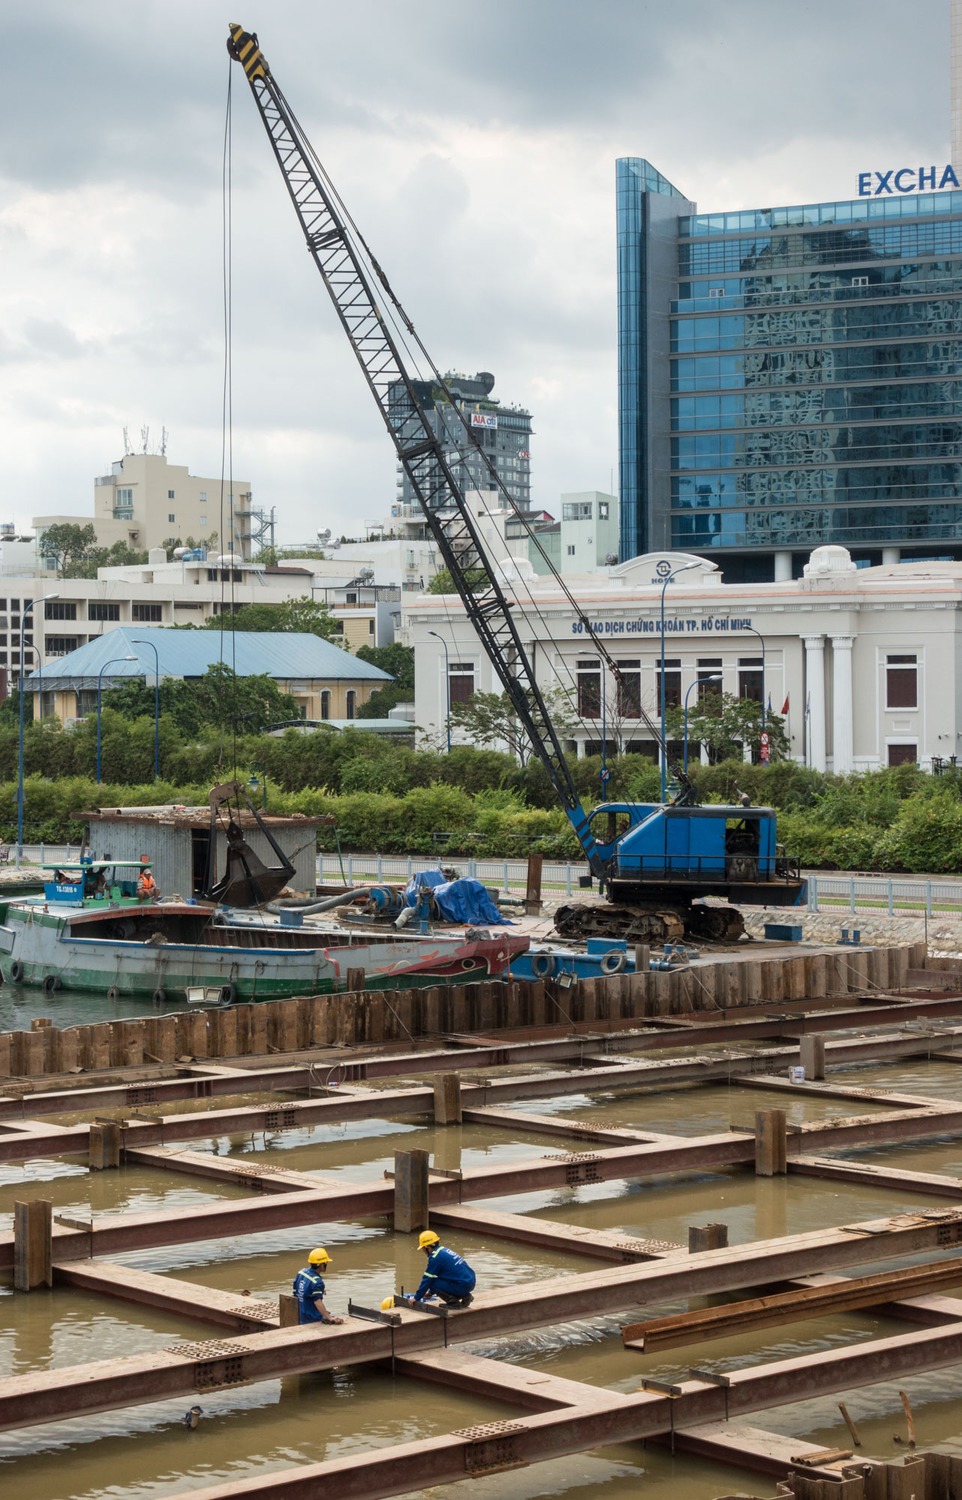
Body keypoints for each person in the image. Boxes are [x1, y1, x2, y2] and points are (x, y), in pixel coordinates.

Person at [412, 1230, 476, 1308]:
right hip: (469, 1282)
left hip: (462, 1285)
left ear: (427, 1247)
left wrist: (416, 1298)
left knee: (431, 1282)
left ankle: (453, 1303)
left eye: (423, 1249)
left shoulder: (435, 1257)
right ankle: (466, 1296)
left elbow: (427, 1279)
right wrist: (431, 1293)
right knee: (438, 1277)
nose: (423, 1251)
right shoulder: (443, 1250)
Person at [292, 1247, 343, 1325]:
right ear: (320, 1265)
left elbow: (296, 1293)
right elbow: (317, 1302)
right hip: (311, 1319)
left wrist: (318, 1290)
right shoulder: (317, 1282)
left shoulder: (301, 1273)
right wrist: (330, 1318)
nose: (326, 1264)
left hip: (300, 1316)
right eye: (325, 1262)